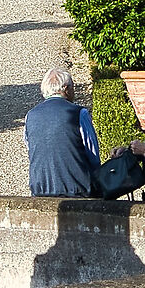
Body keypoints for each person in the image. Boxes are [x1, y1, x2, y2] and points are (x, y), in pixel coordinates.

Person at [24, 67, 102, 197]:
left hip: (40, 189)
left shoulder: (30, 116)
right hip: (77, 189)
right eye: (73, 88)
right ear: (66, 89)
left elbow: (31, 149)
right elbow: (93, 155)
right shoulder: (79, 113)